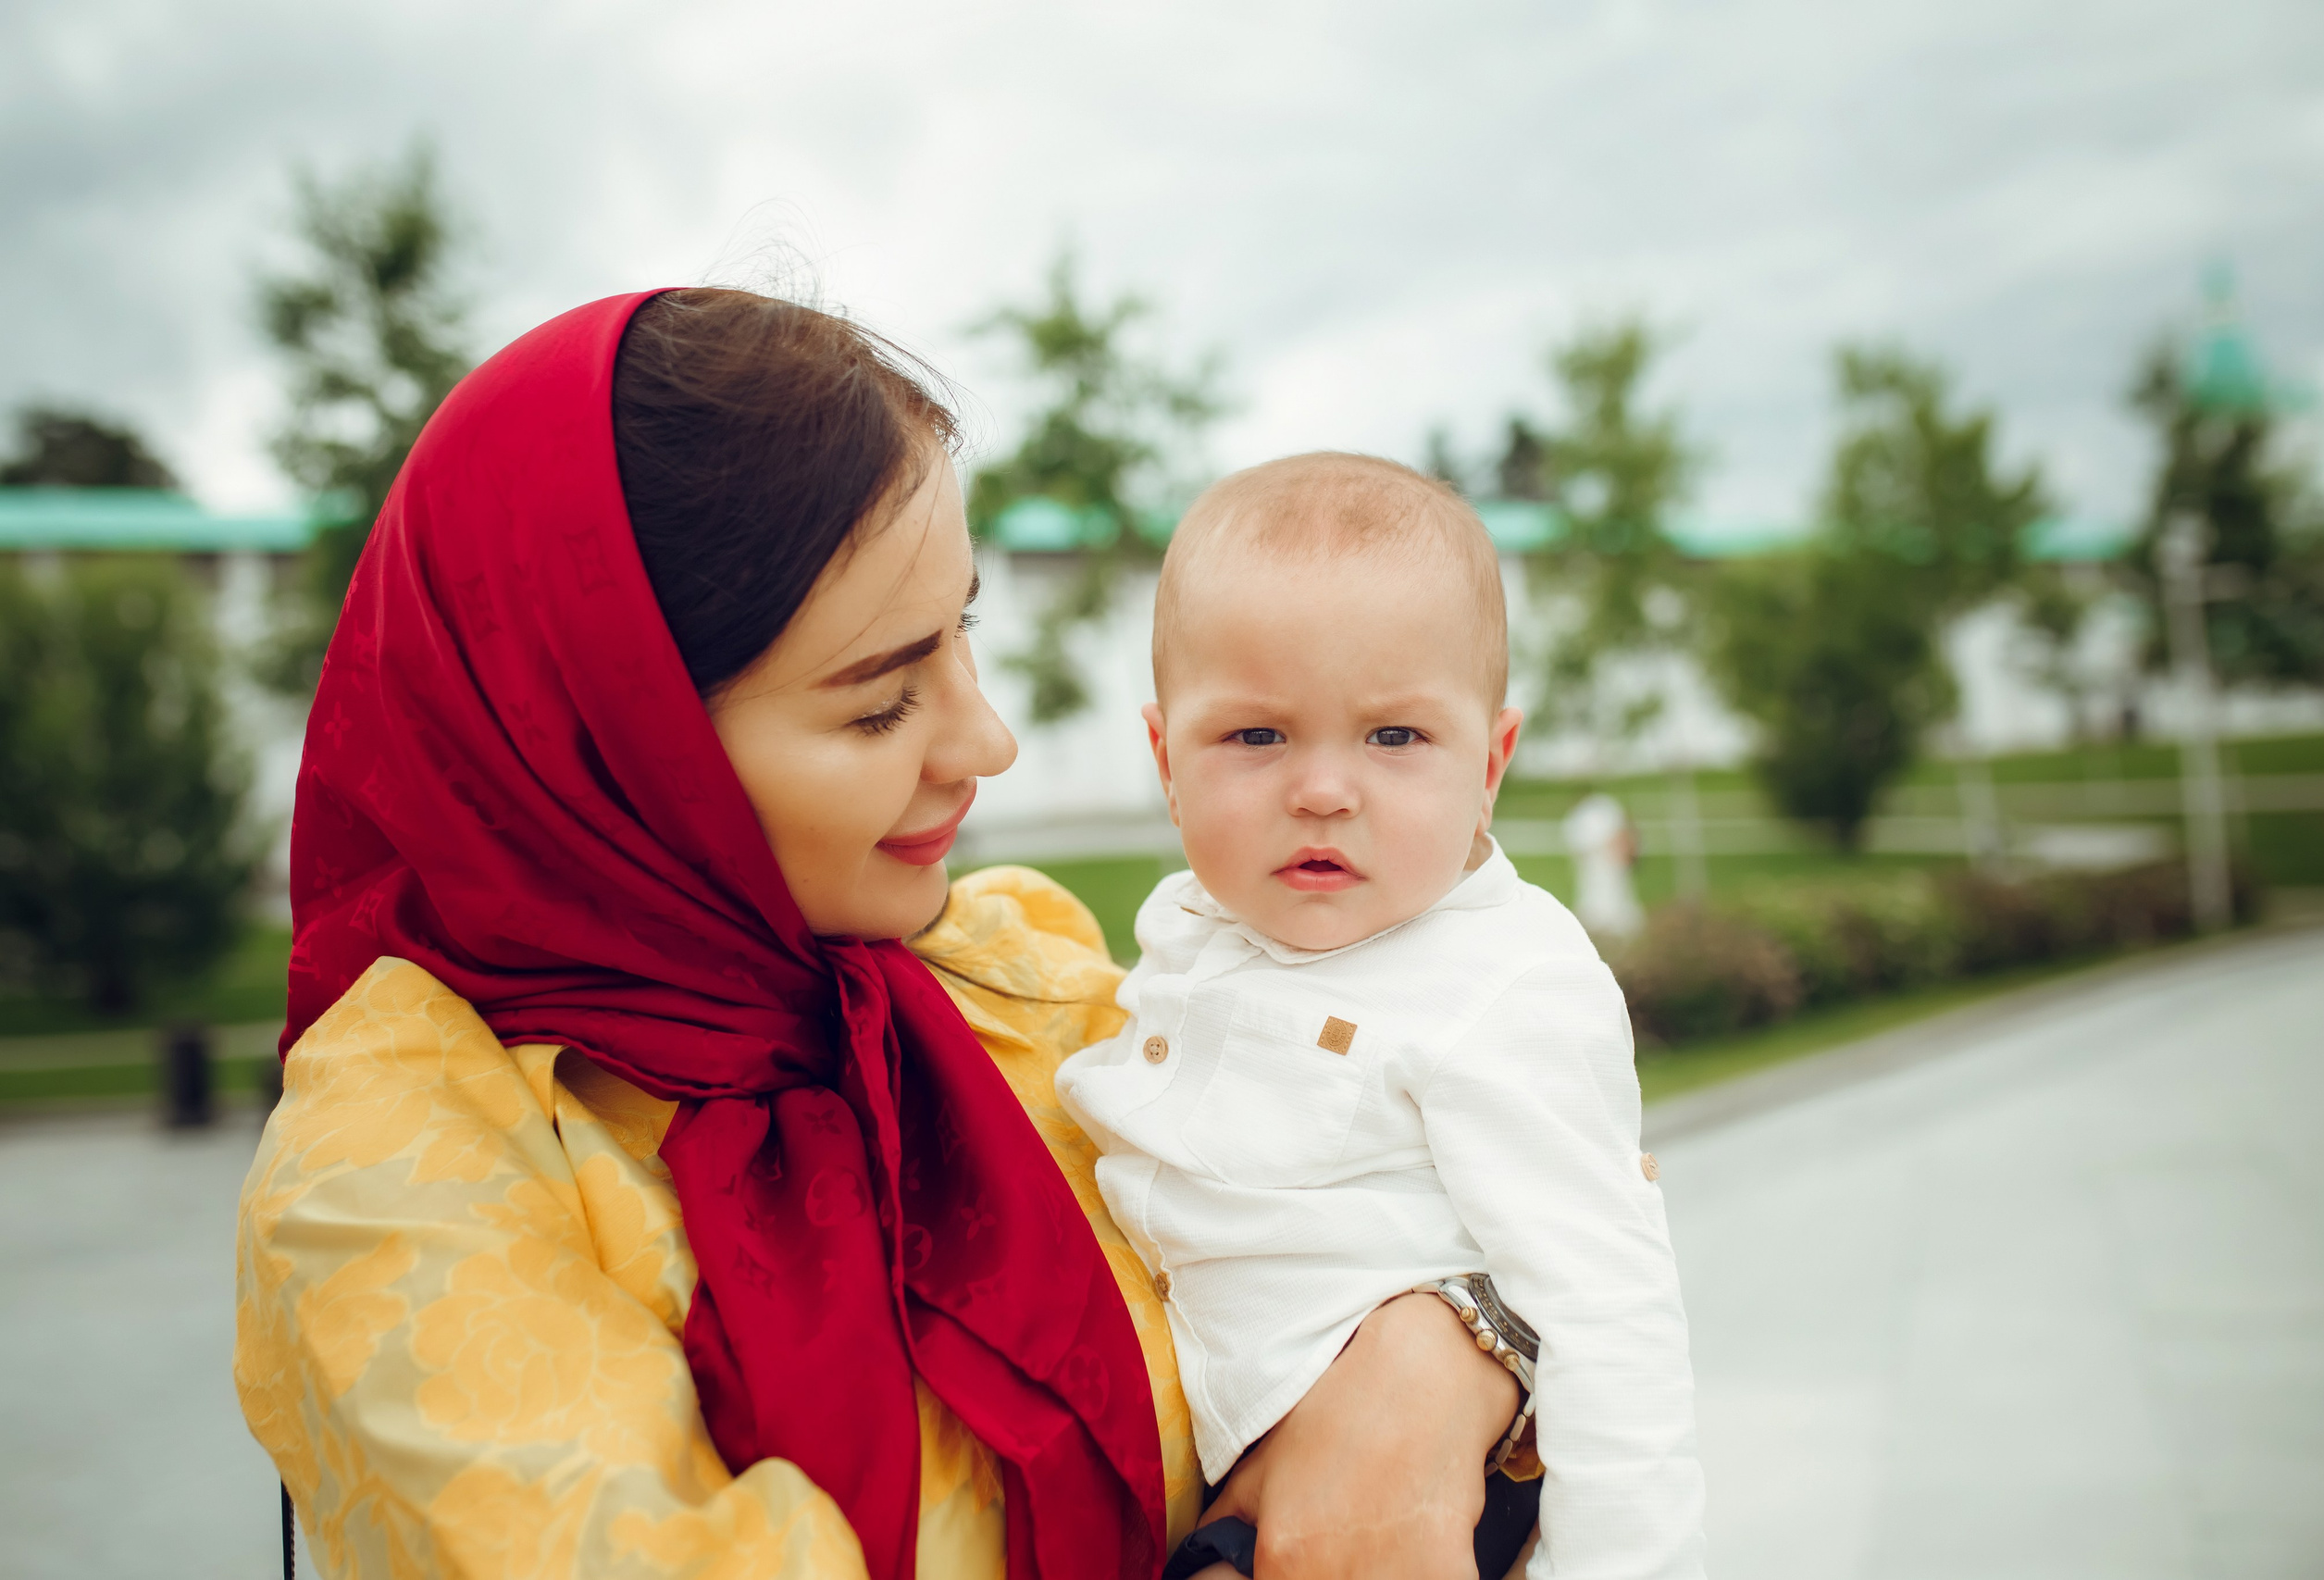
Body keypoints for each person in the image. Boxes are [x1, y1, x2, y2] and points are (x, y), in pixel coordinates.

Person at [235, 291, 1526, 1580]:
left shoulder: (1007, 972)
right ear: (618, 741)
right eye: (878, 705)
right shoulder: (401, 1176)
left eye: (962, 630)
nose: (987, 743)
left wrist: (1449, 1352)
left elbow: (1431, 1184)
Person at [1056, 454, 1706, 1580]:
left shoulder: (1500, 981)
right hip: (1242, 1477)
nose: (1321, 789)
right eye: (1255, 737)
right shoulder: (1193, 925)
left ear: (1491, 763)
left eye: (1394, 738)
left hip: (1430, 1506)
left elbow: (1611, 1311)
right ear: (1165, 761)